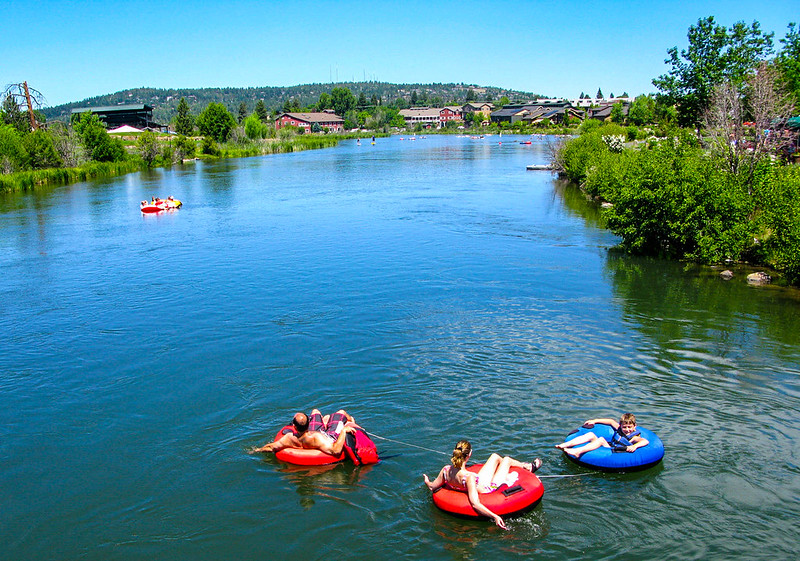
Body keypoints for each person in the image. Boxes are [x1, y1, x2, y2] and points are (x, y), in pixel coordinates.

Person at [422, 440, 542, 530]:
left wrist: (427, 481)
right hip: (488, 488)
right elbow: (475, 503)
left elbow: (432, 486)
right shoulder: (468, 477)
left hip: (479, 482)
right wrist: (495, 516)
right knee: (506, 460)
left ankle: (527, 466)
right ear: (469, 455)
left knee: (495, 456)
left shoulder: (446, 470)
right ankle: (528, 467)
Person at [249, 409, 357, 456]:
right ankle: (351, 421)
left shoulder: (289, 438)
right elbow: (336, 450)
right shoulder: (316, 438)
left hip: (313, 433)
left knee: (315, 411)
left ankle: (325, 421)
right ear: (308, 424)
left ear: (294, 426)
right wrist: (343, 431)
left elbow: (271, 447)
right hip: (330, 436)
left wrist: (257, 450)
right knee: (341, 412)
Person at [556, 413, 649, 458]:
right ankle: (566, 444)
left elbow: (645, 441)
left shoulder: (633, 437)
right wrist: (594, 421)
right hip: (610, 446)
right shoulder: (619, 428)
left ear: (634, 426)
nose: (627, 430)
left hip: (614, 451)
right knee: (590, 434)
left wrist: (635, 446)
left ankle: (578, 451)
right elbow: (611, 421)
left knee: (600, 439)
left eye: (630, 427)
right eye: (625, 427)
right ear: (621, 425)